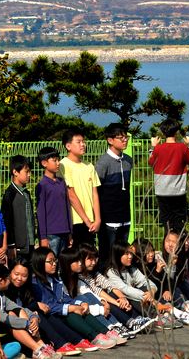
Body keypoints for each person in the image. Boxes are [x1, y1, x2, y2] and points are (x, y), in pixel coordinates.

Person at [30, 247, 117, 350]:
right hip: (52, 316)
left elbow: (64, 297)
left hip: (60, 310)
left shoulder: (54, 279)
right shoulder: (36, 283)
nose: (54, 264)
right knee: (71, 313)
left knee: (83, 309)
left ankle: (104, 332)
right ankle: (93, 337)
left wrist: (80, 303)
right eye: (50, 261)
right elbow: (48, 305)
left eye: (55, 260)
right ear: (39, 262)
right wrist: (71, 308)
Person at [4, 260, 89, 355]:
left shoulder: (26, 288)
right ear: (10, 272)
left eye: (24, 276)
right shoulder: (5, 288)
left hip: (31, 323)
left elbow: (30, 304)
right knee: (38, 311)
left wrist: (34, 312)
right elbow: (14, 309)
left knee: (42, 313)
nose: (19, 278)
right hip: (14, 328)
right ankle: (59, 344)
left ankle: (71, 341)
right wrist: (35, 307)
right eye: (16, 274)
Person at [0, 265, 62, 359]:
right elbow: (1, 317)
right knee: (11, 317)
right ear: (1, 281)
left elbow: (18, 307)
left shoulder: (0, 295)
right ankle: (38, 350)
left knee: (18, 311)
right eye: (8, 279)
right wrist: (27, 323)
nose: (10, 281)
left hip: (3, 331)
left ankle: (42, 348)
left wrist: (33, 318)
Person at [77, 243, 157, 335]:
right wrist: (118, 302)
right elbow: (97, 291)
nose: (94, 262)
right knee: (111, 296)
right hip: (91, 303)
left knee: (117, 293)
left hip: (102, 300)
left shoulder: (95, 273)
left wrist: (122, 298)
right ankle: (129, 323)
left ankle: (136, 319)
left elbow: (109, 285)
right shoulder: (83, 276)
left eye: (95, 258)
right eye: (90, 259)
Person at [57, 247, 131, 342]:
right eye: (76, 261)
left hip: (84, 306)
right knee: (83, 298)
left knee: (89, 295)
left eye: (80, 260)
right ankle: (109, 328)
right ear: (67, 263)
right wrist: (100, 309)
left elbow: (90, 291)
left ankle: (117, 325)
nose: (80, 263)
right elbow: (71, 302)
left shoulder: (77, 277)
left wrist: (102, 302)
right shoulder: (60, 281)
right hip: (74, 309)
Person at [149, 118, 189, 234]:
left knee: (167, 223)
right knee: (179, 223)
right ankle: (179, 249)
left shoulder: (158, 148)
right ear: (176, 132)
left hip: (162, 191)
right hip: (178, 191)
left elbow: (151, 162)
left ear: (163, 132)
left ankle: (166, 249)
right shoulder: (182, 148)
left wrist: (152, 147)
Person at [95, 123, 133, 263]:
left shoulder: (128, 160)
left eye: (126, 137)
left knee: (122, 254)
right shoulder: (103, 163)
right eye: (121, 137)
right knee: (108, 254)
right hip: (109, 218)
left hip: (125, 215)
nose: (125, 140)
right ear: (110, 140)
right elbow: (97, 191)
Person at [60, 129, 101, 247]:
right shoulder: (63, 165)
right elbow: (71, 195)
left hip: (91, 222)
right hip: (75, 221)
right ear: (68, 146)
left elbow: (95, 194)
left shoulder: (89, 166)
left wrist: (97, 219)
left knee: (90, 257)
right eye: (78, 142)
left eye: (83, 141)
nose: (83, 144)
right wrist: (87, 220)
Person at [36, 147, 73, 258]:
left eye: (58, 160)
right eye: (54, 160)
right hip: (51, 234)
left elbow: (67, 207)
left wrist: (70, 231)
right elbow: (41, 213)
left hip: (65, 232)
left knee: (64, 264)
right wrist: (43, 237)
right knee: (51, 264)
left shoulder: (62, 183)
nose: (58, 163)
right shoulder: (42, 185)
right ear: (44, 163)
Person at [1, 155, 35, 262]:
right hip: (17, 249)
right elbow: (7, 221)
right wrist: (11, 245)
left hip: (29, 246)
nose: (29, 174)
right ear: (15, 172)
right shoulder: (10, 194)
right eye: (26, 171)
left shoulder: (26, 193)